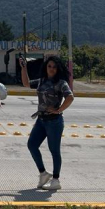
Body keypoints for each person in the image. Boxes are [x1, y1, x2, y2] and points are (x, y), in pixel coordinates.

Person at [20, 55, 74, 191]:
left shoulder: (61, 83)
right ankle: (43, 173)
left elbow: (70, 97)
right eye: (49, 66)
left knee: (54, 150)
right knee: (32, 145)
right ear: (46, 67)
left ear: (58, 69)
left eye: (54, 67)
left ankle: (56, 180)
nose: (51, 69)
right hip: (41, 120)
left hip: (54, 122)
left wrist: (59, 110)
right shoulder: (41, 81)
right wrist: (23, 67)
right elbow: (26, 83)